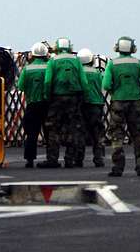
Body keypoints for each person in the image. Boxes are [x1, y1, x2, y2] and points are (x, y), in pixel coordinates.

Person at [103, 36, 140, 177]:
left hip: (118, 102)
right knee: (139, 135)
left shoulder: (112, 64)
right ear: (133, 48)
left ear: (117, 48)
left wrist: (115, 91)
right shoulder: (138, 63)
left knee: (117, 135)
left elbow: (106, 84)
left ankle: (117, 168)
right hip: (135, 102)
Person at [41, 37, 89, 168]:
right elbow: (84, 82)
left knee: (53, 129)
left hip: (56, 99)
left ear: (56, 48)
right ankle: (70, 160)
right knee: (73, 128)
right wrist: (84, 96)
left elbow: (47, 81)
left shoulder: (53, 61)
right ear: (70, 47)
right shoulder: (77, 61)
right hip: (73, 99)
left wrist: (47, 95)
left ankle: (52, 159)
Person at [16, 41, 50, 168]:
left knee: (31, 133)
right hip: (46, 104)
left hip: (32, 104)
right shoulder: (49, 67)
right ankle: (51, 158)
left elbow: (20, 86)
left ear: (32, 55)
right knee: (49, 133)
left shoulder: (27, 69)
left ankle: (29, 160)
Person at [78, 48, 106, 168]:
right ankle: (98, 158)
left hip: (82, 104)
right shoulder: (96, 73)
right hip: (95, 104)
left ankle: (79, 159)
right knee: (96, 133)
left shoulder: (78, 73)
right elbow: (102, 86)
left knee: (80, 132)